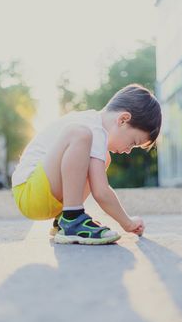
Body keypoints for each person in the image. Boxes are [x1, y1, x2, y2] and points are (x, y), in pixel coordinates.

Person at [12, 83, 162, 245]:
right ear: (123, 119)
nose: (128, 150)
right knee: (79, 133)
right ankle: (72, 219)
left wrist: (128, 221)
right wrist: (128, 223)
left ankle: (65, 219)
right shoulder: (90, 127)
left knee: (103, 157)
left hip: (45, 196)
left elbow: (100, 187)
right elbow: (101, 192)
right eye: (133, 143)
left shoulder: (95, 133)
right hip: (30, 191)